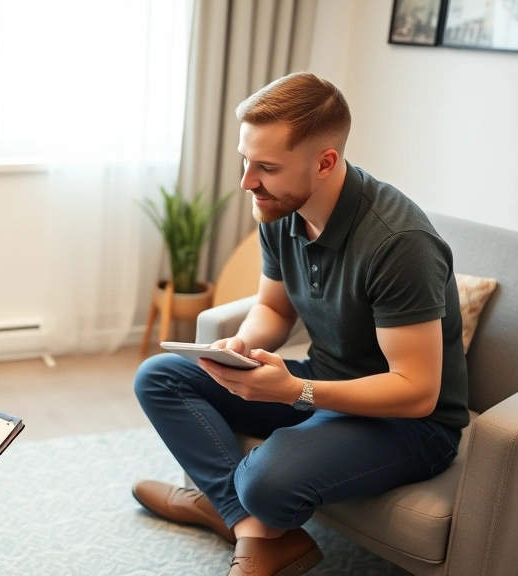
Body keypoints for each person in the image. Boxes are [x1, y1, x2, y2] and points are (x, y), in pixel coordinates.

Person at [131, 72, 467, 576]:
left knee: (266, 481)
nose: (247, 181)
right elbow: (276, 309)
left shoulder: (400, 243)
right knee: (159, 377)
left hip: (408, 424)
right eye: (245, 161)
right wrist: (242, 343)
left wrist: (295, 391)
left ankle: (223, 508)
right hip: (325, 381)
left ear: (325, 162)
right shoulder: (281, 206)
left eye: (265, 167)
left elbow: (417, 391)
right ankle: (249, 528)